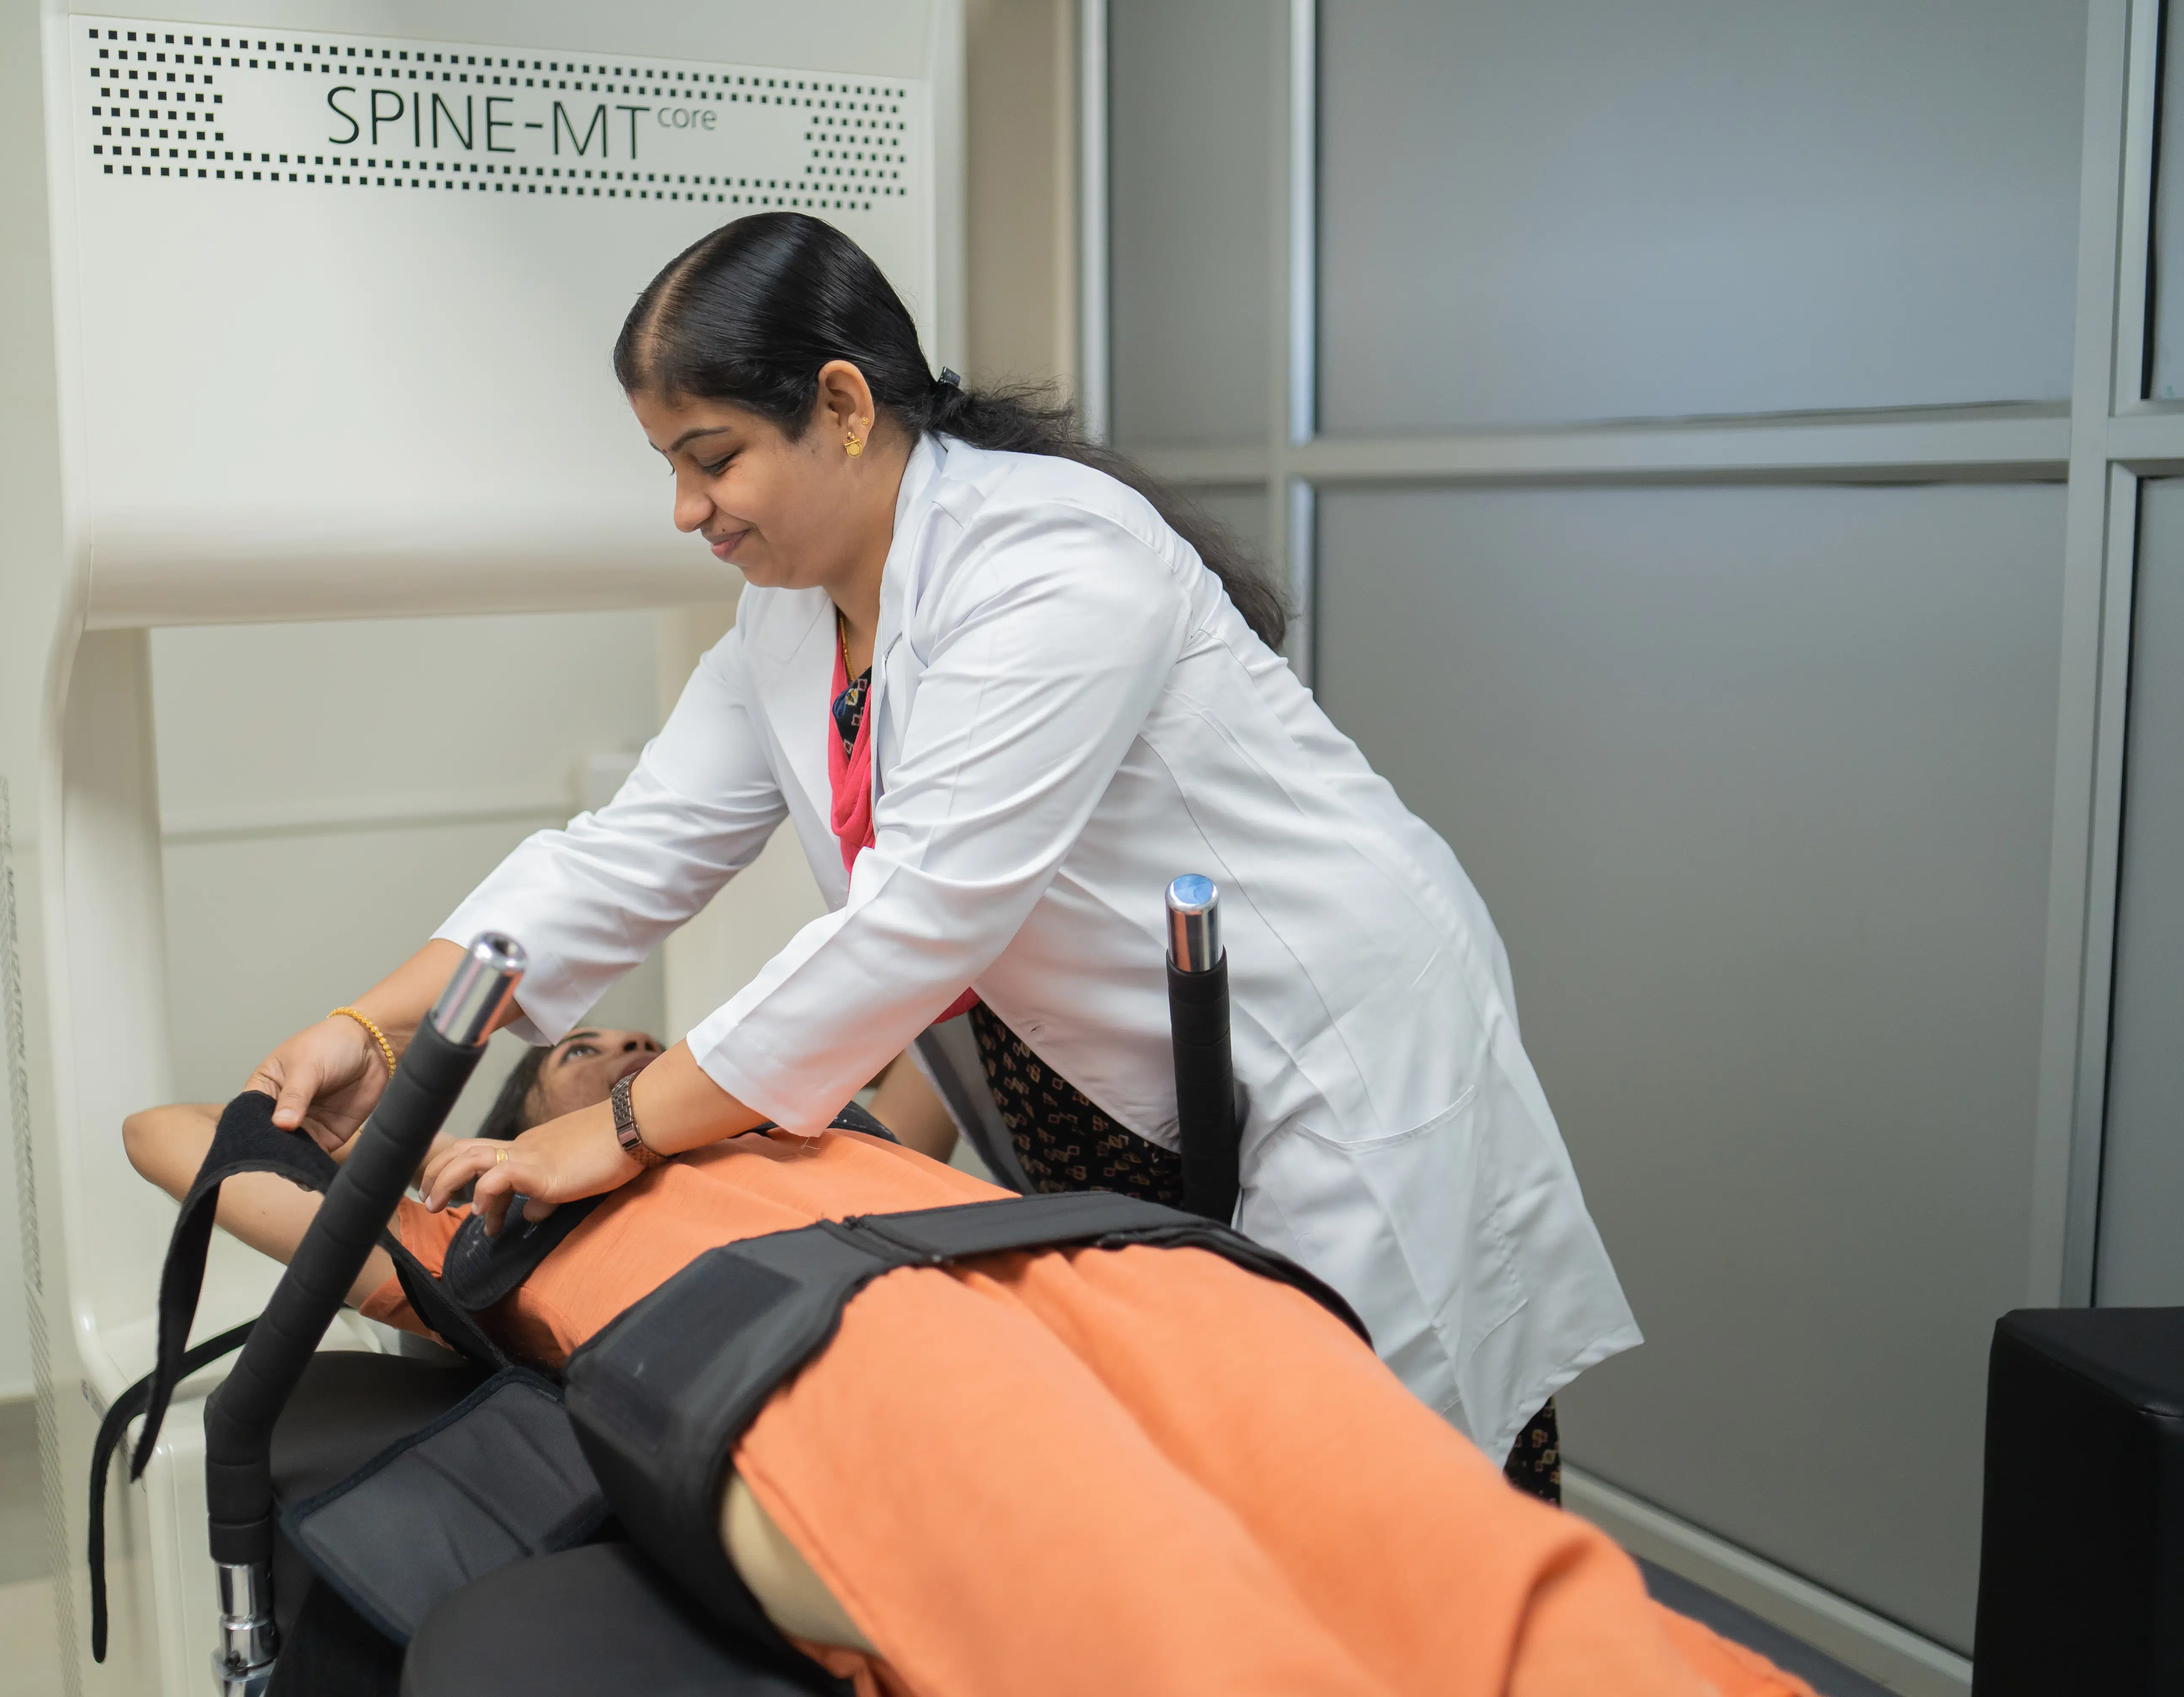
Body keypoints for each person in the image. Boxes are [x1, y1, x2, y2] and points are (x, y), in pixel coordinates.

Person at [240, 210, 1638, 1494]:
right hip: (1120, 1072)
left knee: (1377, 1478)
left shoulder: (1052, 561)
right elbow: (627, 853)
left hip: (1326, 1046)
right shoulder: (791, 618)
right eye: (670, 468)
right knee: (1207, 1470)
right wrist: (379, 1025)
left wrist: (614, 1130)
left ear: (843, 407)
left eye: (714, 458)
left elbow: (922, 916)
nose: (687, 510)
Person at [120, 1071, 1806, 1697]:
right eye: (579, 1056)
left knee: (1445, 1543)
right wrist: (393, 1114)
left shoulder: (823, 1113)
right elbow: (169, 1136)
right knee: (1168, 1617)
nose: (623, 1059)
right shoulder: (476, 1230)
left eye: (644, 1043)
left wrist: (734, 1079)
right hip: (828, 1354)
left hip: (1121, 1277)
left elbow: (900, 990)